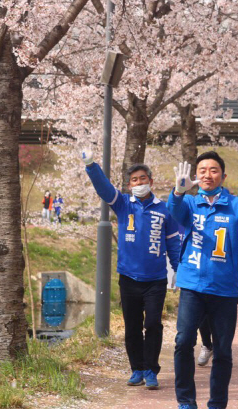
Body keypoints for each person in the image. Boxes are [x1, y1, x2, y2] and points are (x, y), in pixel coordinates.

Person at [169, 152, 238, 409]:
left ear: (223, 175)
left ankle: (217, 403)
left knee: (222, 350)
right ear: (195, 176)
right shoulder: (189, 204)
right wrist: (177, 192)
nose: (207, 175)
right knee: (183, 341)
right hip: (192, 285)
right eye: (202, 170)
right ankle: (186, 401)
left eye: (213, 170)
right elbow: (174, 212)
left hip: (224, 289)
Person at [81, 149, 181, 390]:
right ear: (129, 184)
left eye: (142, 179)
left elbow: (174, 243)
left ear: (151, 181)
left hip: (156, 280)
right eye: (134, 180)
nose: (139, 183)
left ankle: (151, 369)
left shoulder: (164, 209)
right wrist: (91, 165)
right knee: (132, 325)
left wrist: (178, 270)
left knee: (154, 324)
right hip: (128, 278)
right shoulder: (124, 204)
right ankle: (137, 368)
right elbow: (104, 189)